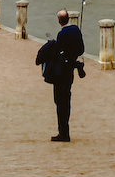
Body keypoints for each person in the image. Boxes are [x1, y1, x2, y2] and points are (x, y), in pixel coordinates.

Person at [35, 9, 85, 142]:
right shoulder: (76, 31)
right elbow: (81, 50)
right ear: (68, 18)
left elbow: (58, 52)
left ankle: (63, 132)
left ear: (59, 21)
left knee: (60, 102)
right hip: (69, 72)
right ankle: (64, 130)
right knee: (66, 100)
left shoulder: (62, 35)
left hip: (61, 73)